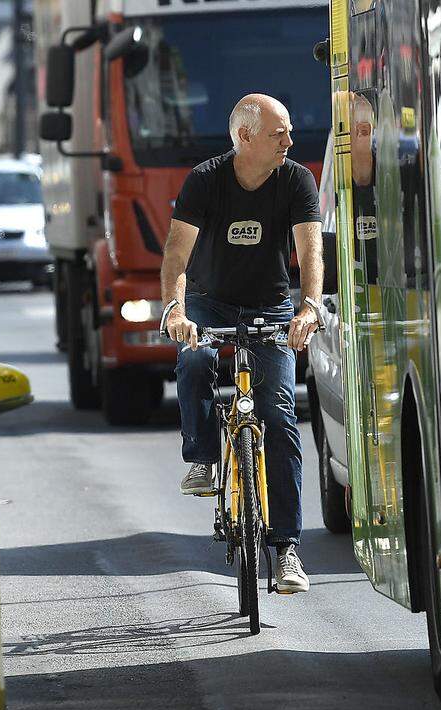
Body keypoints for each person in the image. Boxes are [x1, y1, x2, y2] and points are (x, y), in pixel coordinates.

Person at [160, 93, 325, 594]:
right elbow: (177, 255)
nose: (290, 142)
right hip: (210, 301)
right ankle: (204, 456)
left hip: (271, 305)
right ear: (245, 136)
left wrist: (310, 306)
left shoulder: (296, 179)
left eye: (289, 132)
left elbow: (310, 249)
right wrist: (175, 311)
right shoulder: (205, 180)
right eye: (279, 134)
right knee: (194, 362)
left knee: (278, 418)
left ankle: (287, 551)